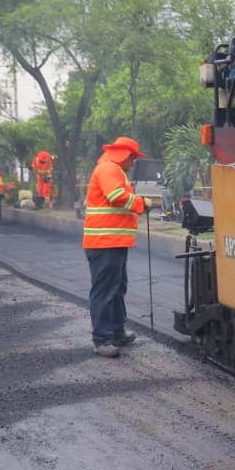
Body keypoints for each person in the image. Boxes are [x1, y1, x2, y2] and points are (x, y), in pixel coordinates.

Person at [83, 136, 148, 357]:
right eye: (134, 159)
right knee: (105, 291)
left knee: (117, 288)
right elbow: (116, 196)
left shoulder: (112, 170)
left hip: (114, 241)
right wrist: (142, 203)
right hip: (105, 243)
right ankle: (102, 339)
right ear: (126, 155)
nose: (134, 163)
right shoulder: (108, 169)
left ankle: (117, 332)